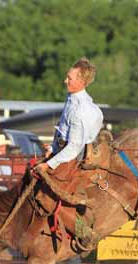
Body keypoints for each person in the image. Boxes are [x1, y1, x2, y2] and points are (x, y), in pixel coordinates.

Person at [34, 57, 103, 248]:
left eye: (69, 78)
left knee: (45, 198)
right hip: (65, 153)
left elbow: (74, 147)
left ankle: (84, 233)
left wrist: (49, 164)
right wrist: (53, 150)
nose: (66, 81)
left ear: (81, 81)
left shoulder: (80, 110)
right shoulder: (77, 101)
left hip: (71, 158)